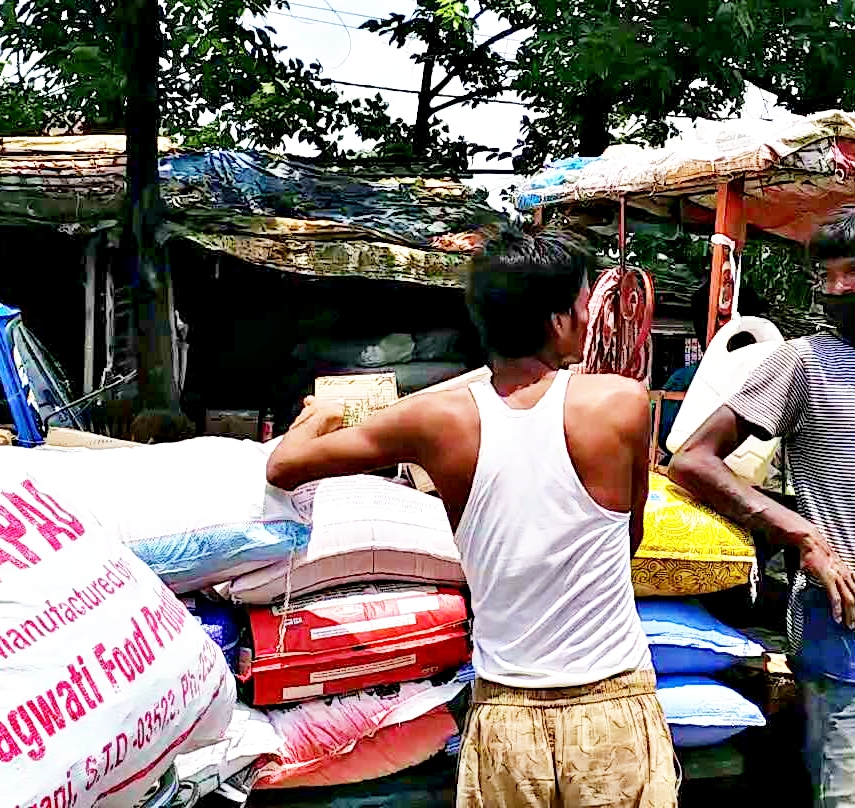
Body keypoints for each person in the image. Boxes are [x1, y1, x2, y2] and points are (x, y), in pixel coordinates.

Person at [264, 225, 674, 808]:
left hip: (504, 719)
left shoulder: (434, 421)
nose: (590, 317)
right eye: (585, 304)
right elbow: (630, 538)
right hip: (611, 712)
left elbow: (284, 465)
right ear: (558, 321)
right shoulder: (620, 404)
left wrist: (315, 416)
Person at [669, 205, 855, 808]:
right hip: (839, 614)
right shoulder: (800, 361)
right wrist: (801, 535)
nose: (839, 287)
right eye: (827, 275)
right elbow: (692, 461)